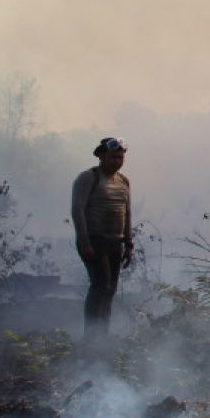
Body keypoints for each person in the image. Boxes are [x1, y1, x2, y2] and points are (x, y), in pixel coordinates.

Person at [70, 137, 133, 338]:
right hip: (94, 240)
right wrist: (85, 241)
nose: (117, 161)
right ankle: (91, 337)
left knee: (110, 290)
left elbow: (127, 212)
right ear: (101, 156)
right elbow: (78, 210)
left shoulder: (124, 181)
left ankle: (102, 337)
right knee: (100, 286)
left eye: (120, 157)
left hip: (116, 241)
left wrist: (128, 243)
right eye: (113, 157)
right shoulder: (88, 178)